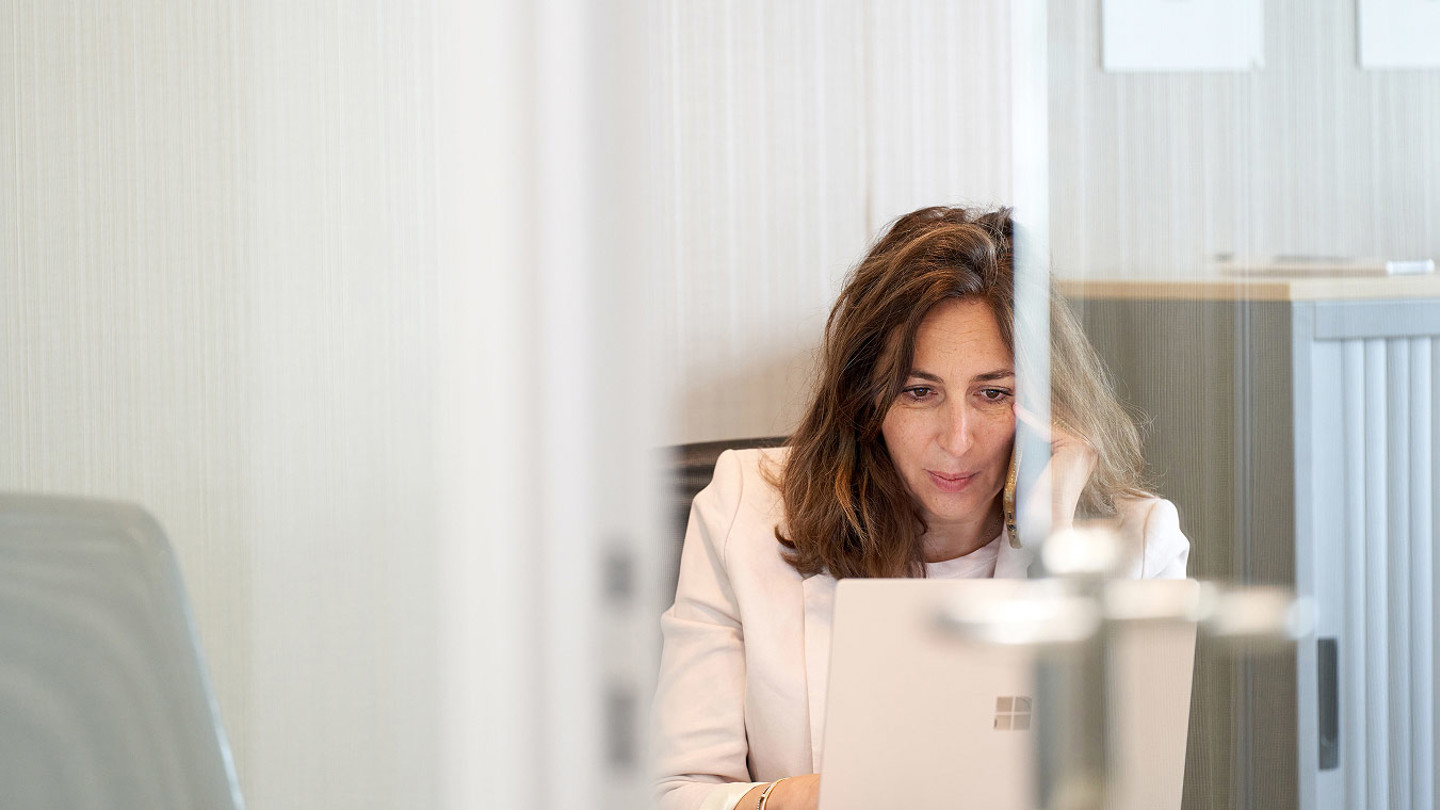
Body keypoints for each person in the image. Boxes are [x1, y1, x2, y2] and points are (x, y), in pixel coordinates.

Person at [651, 206, 1190, 810]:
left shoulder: (1141, 543)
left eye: (994, 393)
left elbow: (1128, 797)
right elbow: (673, 794)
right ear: (866, 398)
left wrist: (1051, 550)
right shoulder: (742, 508)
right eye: (918, 391)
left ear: (1050, 403)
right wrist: (820, 800)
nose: (956, 438)